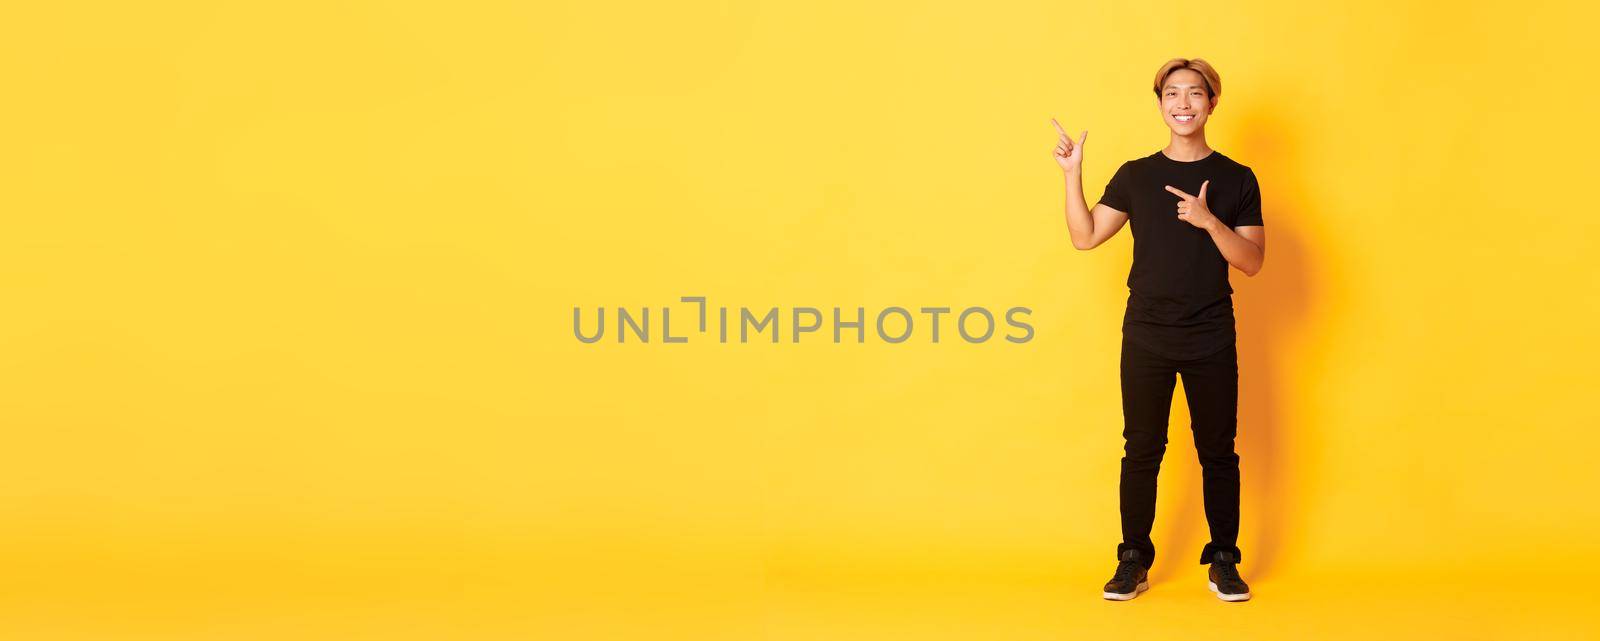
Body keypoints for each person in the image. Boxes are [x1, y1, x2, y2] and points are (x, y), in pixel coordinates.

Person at [1050, 57, 1266, 602]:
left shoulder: (1238, 178)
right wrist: (1073, 174)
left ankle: (1223, 558)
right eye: (1173, 93)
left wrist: (1209, 220)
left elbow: (1253, 261)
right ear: (1161, 103)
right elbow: (1086, 236)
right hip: (1146, 331)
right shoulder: (1136, 175)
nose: (1184, 103)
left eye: (1196, 93)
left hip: (1211, 332)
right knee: (1141, 448)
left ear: (1212, 103)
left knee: (1218, 450)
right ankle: (1133, 559)